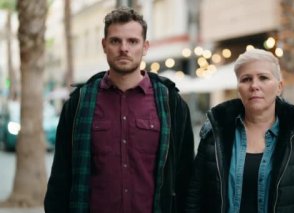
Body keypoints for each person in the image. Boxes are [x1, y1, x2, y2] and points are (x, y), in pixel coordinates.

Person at [44, 7, 194, 213]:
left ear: (145, 46)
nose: (124, 48)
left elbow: (185, 178)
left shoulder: (171, 103)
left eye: (132, 41)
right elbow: (60, 179)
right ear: (104, 45)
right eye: (115, 41)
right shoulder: (79, 103)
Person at [185, 48, 294, 213]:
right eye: (246, 79)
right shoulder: (215, 133)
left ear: (279, 87)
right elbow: (194, 199)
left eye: (263, 77)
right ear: (238, 88)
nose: (254, 85)